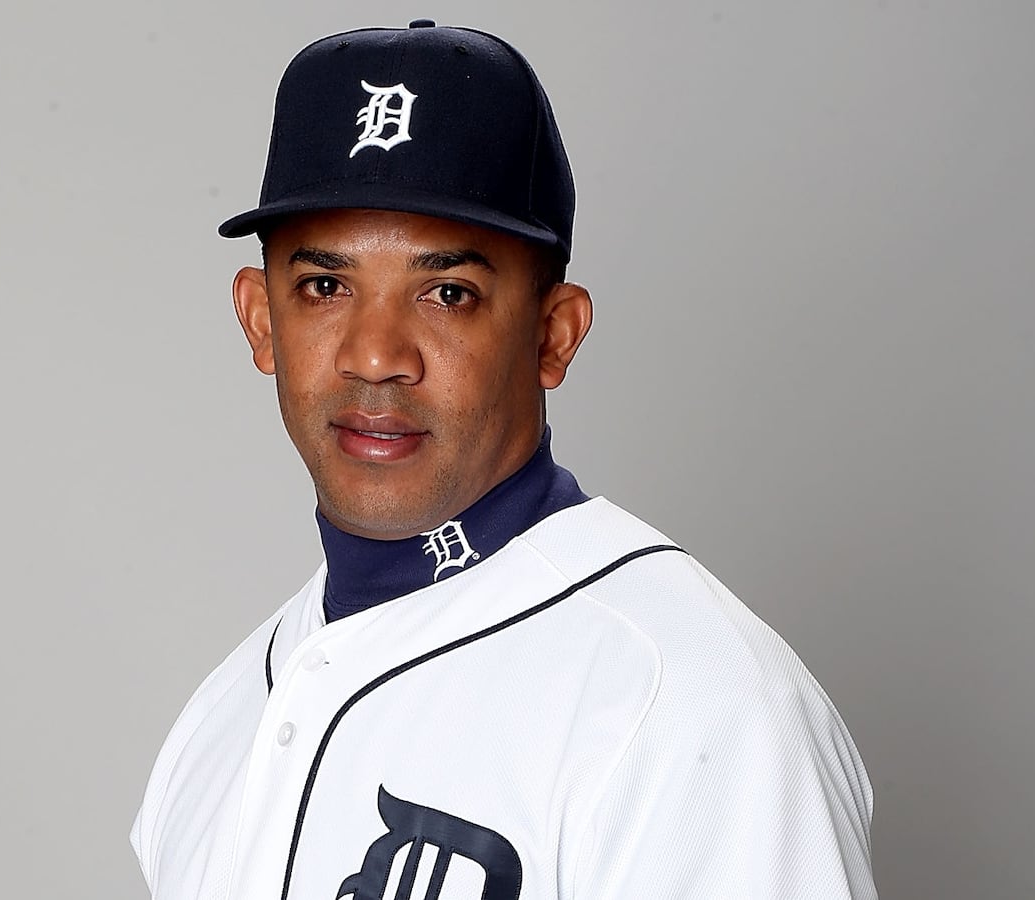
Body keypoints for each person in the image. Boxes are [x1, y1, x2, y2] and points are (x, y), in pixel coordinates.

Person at [132, 20, 876, 900]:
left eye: (448, 293)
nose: (375, 355)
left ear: (551, 336)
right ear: (261, 320)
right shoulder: (218, 723)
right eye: (325, 287)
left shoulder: (690, 711)